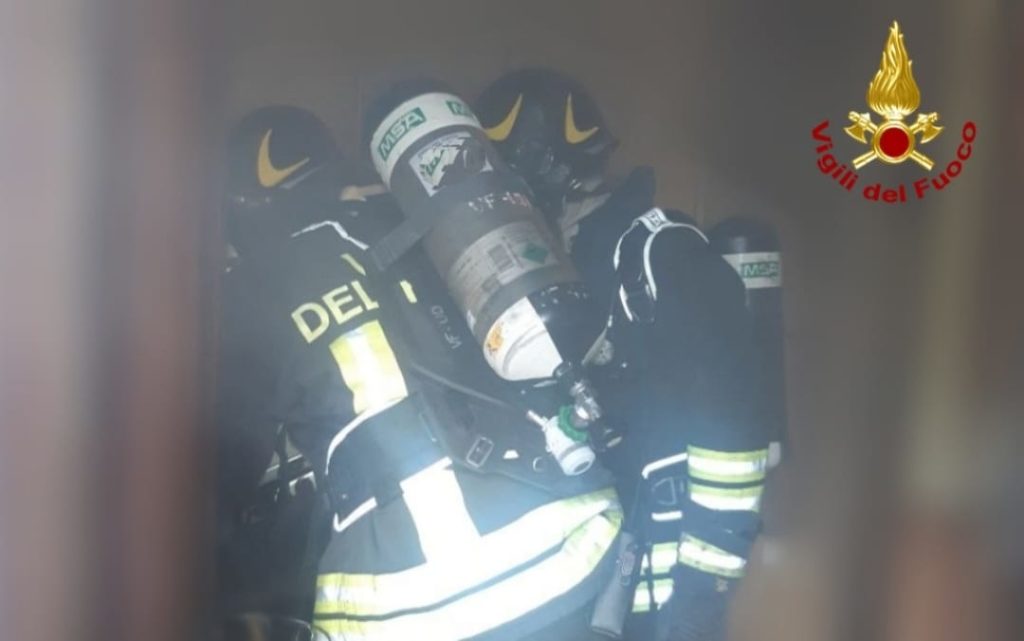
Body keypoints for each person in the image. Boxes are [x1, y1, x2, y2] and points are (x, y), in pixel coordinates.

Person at [221, 104, 623, 641]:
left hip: (404, 605)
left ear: (245, 206)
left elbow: (214, 472)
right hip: (561, 549)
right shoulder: (421, 225)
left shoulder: (250, 293)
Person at [476, 69, 772, 641]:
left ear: (544, 167)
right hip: (606, 592)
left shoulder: (657, 256)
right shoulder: (568, 271)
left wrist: (701, 594)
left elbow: (733, 437)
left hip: (673, 595)